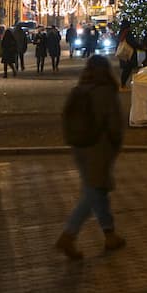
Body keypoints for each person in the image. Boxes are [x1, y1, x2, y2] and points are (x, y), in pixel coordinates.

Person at [55, 56, 126, 260]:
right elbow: (114, 124)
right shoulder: (106, 91)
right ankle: (69, 234)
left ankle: (110, 233)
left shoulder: (79, 90)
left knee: (97, 189)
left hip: (79, 146)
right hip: (99, 147)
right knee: (93, 191)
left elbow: (65, 116)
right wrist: (115, 144)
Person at [116, 19, 140, 90]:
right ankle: (123, 84)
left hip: (124, 53)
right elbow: (132, 42)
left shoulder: (121, 32)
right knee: (128, 69)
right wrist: (140, 46)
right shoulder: (127, 33)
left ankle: (123, 84)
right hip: (129, 53)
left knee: (126, 69)